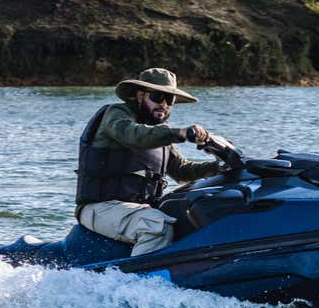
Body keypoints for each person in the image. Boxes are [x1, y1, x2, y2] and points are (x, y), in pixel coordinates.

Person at [75, 68, 221, 256]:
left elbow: (182, 171)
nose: (163, 104)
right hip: (101, 207)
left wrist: (219, 167)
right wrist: (181, 133)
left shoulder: (161, 132)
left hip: (139, 209)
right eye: (158, 96)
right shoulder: (116, 115)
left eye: (170, 100)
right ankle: (134, 285)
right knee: (156, 227)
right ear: (140, 95)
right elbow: (132, 135)